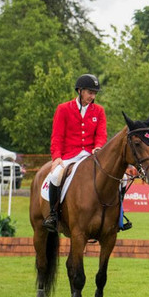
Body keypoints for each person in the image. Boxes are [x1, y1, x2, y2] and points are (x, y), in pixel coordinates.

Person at [43, 74, 107, 233]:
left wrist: (99, 147)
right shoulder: (63, 109)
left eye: (94, 93)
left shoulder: (99, 111)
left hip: (91, 155)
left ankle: (119, 218)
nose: (92, 96)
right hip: (69, 155)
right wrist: (56, 157)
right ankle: (53, 215)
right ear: (80, 91)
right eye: (90, 92)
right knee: (56, 175)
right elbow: (57, 136)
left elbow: (101, 134)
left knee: (121, 178)